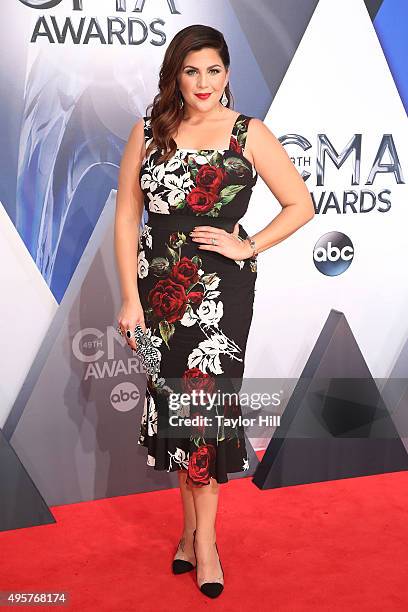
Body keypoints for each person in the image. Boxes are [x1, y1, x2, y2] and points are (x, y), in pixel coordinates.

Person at [114, 24, 314, 599]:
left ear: (228, 74)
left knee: (205, 414)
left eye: (214, 70)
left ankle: (206, 547)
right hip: (159, 294)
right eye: (191, 70)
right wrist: (130, 296)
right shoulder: (149, 132)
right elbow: (129, 217)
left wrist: (248, 244)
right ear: (175, 75)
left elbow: (300, 202)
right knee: (179, 415)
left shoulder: (250, 133)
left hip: (222, 295)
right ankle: (186, 535)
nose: (203, 83)